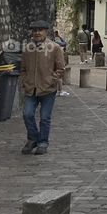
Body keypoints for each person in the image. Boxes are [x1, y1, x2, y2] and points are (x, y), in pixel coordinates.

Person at [20, 21, 66, 155]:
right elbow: (23, 68)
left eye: (40, 30)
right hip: (31, 88)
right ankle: (33, 138)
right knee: (27, 114)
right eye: (34, 30)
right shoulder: (27, 49)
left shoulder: (55, 48)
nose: (37, 33)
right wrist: (25, 80)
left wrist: (52, 80)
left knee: (45, 117)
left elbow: (61, 68)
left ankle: (43, 142)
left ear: (46, 31)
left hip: (48, 89)